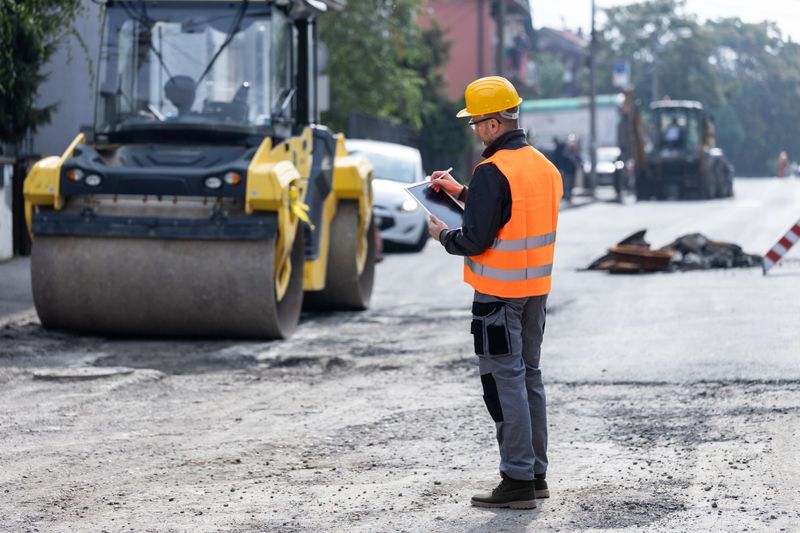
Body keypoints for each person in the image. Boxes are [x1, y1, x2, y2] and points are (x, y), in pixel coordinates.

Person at [427, 76, 563, 510]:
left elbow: (476, 239)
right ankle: (535, 475)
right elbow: (508, 214)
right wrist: (460, 193)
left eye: (474, 124)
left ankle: (517, 480)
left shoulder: (492, 171)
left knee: (503, 385)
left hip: (497, 297)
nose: (473, 131)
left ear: (491, 124)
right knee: (529, 378)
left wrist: (444, 234)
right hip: (534, 293)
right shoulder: (543, 166)